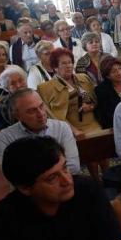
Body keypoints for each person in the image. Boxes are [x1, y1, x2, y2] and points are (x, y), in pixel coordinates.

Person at [38, 48, 106, 182]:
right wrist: (74, 130)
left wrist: (91, 106)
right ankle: (96, 180)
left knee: (103, 148)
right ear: (55, 67)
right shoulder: (45, 88)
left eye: (70, 62)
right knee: (90, 152)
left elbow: (97, 100)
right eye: (63, 63)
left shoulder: (83, 78)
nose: (69, 66)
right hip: (70, 124)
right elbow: (53, 116)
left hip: (92, 119)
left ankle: (107, 175)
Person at [0, 89, 80, 174]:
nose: (41, 114)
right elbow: (10, 173)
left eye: (41, 106)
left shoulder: (61, 127)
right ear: (18, 116)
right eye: (32, 111)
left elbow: (74, 166)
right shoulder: (6, 137)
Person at [95, 58, 121, 129]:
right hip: (117, 123)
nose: (119, 73)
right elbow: (107, 113)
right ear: (107, 76)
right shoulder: (101, 89)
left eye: (120, 68)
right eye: (114, 71)